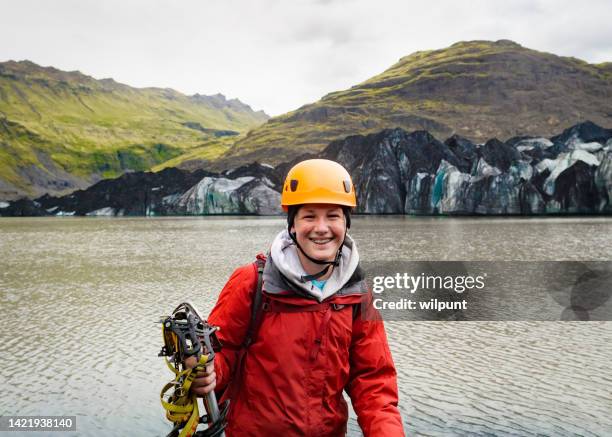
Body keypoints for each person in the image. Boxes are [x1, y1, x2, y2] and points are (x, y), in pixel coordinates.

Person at [191, 159, 404, 436]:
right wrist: (206, 373)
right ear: (292, 224)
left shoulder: (357, 292)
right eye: (309, 216)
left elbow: (373, 383)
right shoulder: (254, 282)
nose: (321, 227)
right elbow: (222, 351)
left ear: (346, 223)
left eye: (333, 216)